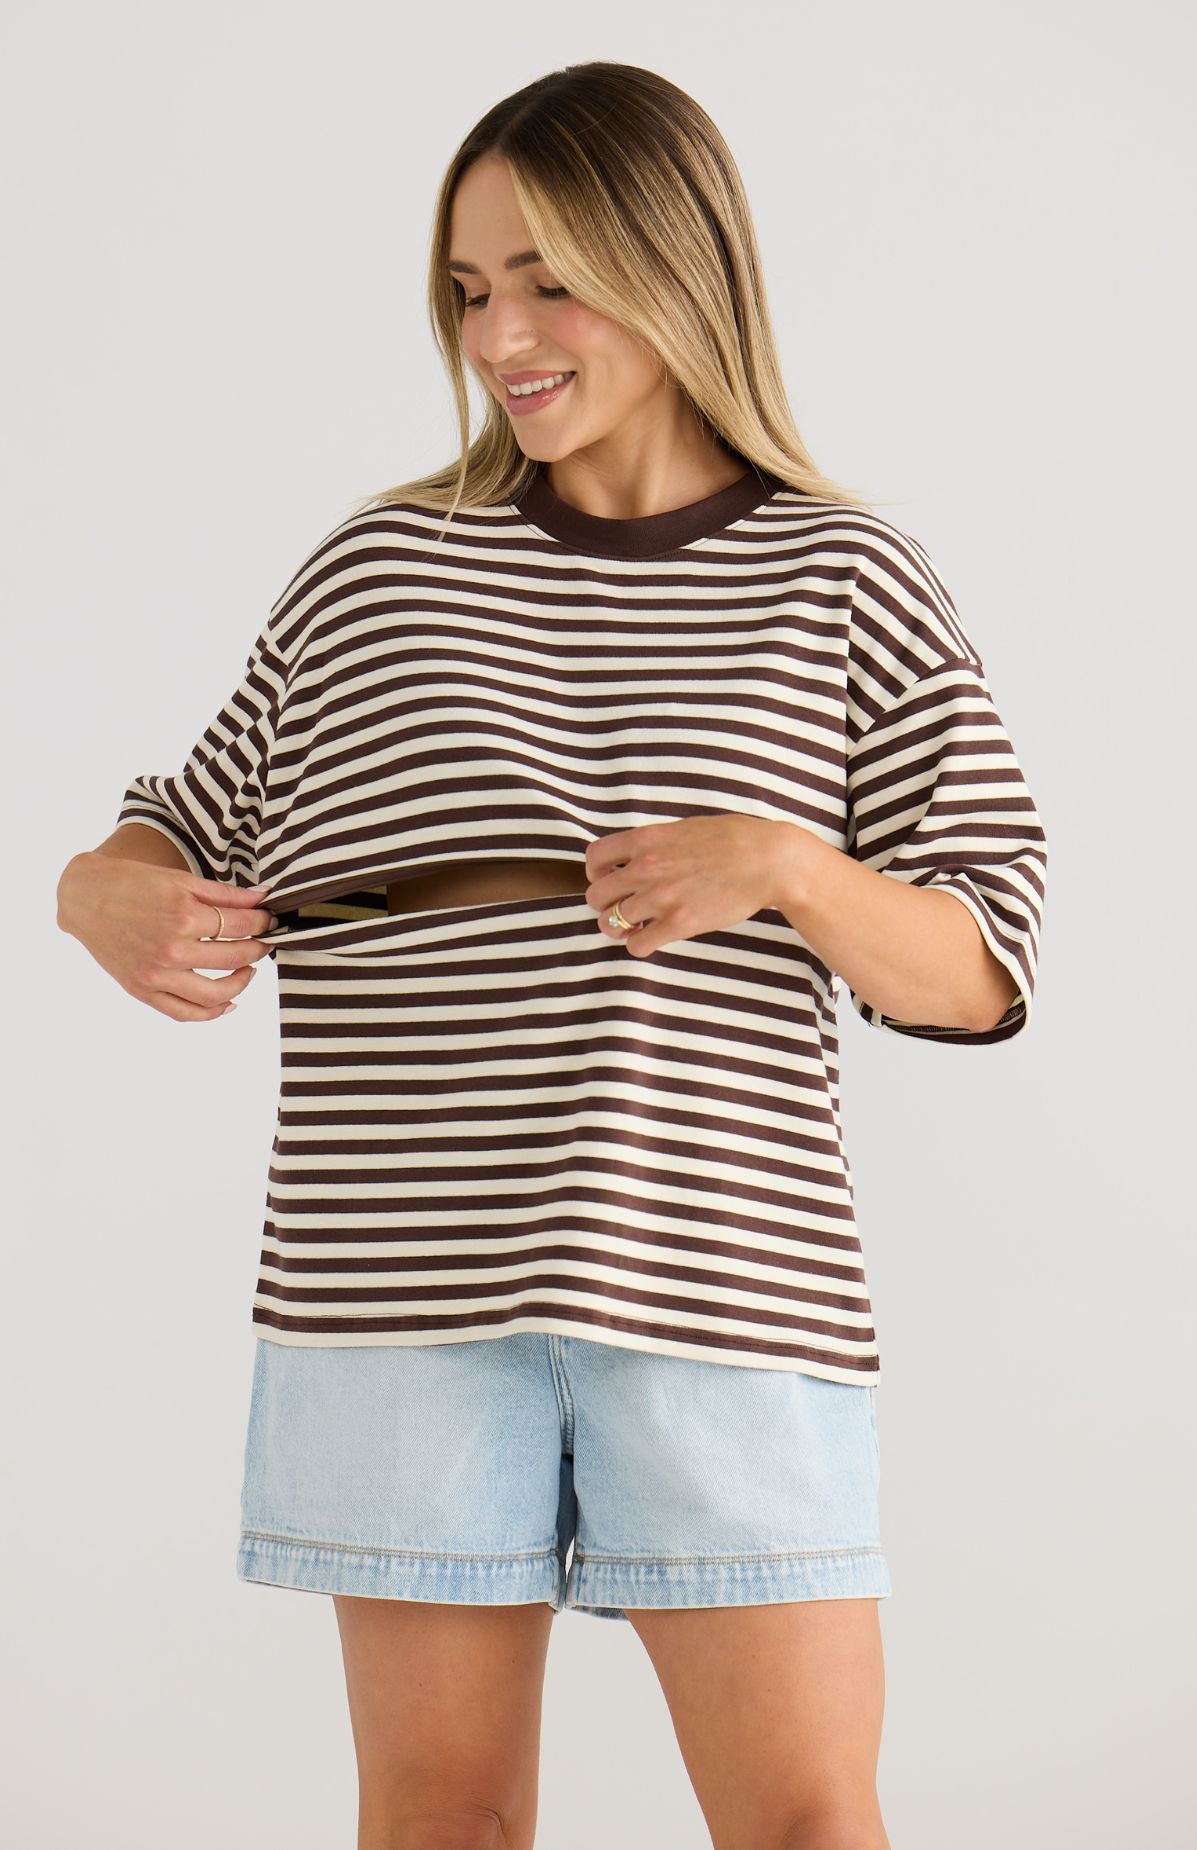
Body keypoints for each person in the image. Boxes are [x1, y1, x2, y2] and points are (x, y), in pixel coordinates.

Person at [57, 61, 1047, 1850]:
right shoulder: (378, 572)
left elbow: (981, 961)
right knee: (438, 1818)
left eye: (548, 276)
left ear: (679, 266)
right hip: (397, 1292)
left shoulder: (846, 579)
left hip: (723, 1292)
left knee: (810, 1818)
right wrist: (99, 888)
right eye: (466, 288)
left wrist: (787, 871)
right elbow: (170, 828)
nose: (499, 332)